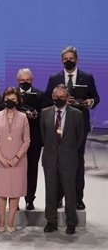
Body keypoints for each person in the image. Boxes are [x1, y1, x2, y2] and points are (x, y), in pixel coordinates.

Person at [44, 46, 100, 210]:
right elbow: (47, 99)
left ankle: (77, 198)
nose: (68, 60)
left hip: (79, 126)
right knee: (58, 162)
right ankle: (58, 197)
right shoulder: (54, 78)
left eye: (71, 58)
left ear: (77, 59)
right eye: (65, 58)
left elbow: (96, 97)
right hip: (58, 125)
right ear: (62, 60)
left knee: (77, 161)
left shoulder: (87, 77)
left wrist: (91, 102)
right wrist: (61, 101)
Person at [41, 84, 85, 235]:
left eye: (62, 97)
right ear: (52, 97)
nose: (58, 99)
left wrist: (68, 150)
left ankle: (71, 222)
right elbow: (44, 135)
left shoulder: (77, 114)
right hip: (50, 158)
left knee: (70, 192)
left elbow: (79, 138)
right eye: (56, 97)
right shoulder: (44, 113)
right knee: (50, 191)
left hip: (69, 158)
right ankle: (51, 221)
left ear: (67, 98)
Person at [0, 87, 30, 232]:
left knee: (14, 191)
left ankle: (11, 222)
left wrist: (16, 158)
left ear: (18, 100)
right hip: (0, 160)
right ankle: (1, 220)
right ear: (3, 100)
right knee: (1, 191)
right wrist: (1, 157)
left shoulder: (23, 117)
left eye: (13, 99)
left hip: (18, 161)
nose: (10, 102)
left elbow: (27, 140)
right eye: (8, 100)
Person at [15, 68, 46, 210]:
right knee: (15, 171)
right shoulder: (11, 94)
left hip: (34, 139)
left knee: (32, 170)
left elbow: (45, 116)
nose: (25, 82)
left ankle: (29, 199)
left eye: (28, 80)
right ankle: (15, 200)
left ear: (32, 80)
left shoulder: (40, 95)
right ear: (17, 81)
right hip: (14, 140)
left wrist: (35, 115)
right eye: (22, 80)